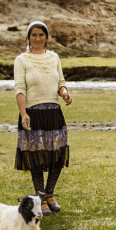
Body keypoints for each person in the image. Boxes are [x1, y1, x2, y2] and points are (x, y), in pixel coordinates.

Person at [14, 20, 73, 214]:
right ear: (28, 38)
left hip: (54, 113)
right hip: (33, 114)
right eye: (34, 35)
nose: (38, 38)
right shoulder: (21, 60)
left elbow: (61, 82)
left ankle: (49, 194)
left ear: (46, 38)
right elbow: (20, 89)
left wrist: (64, 93)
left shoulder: (54, 57)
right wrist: (23, 113)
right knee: (36, 158)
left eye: (41, 35)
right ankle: (40, 198)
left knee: (57, 156)